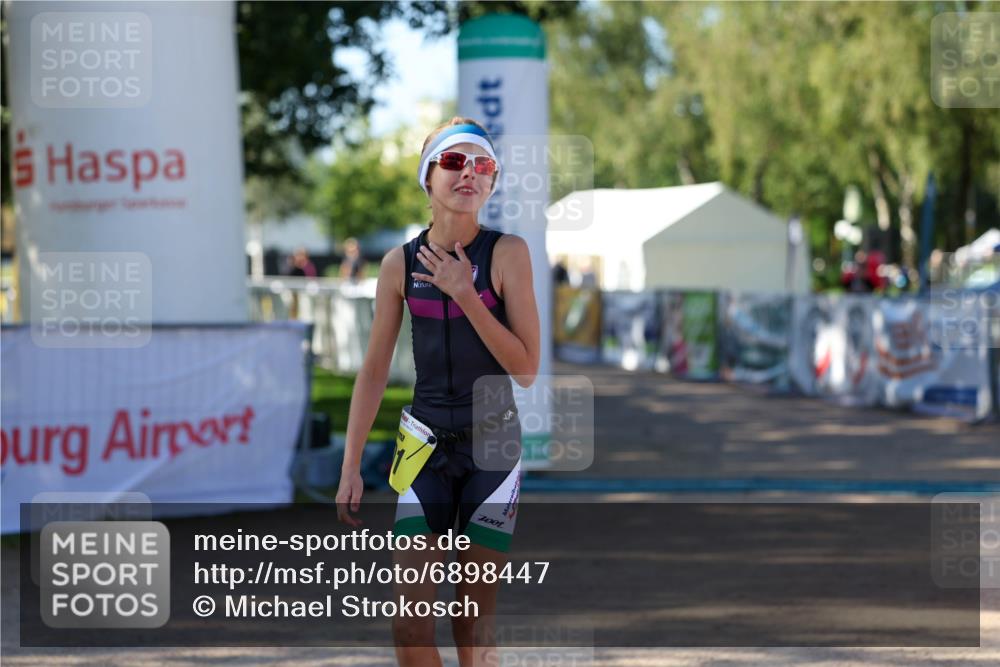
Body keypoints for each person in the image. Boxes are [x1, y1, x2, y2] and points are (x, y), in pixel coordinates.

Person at [336, 117, 540, 667]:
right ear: (428, 178)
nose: (468, 174)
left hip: (492, 451)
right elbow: (374, 369)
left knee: (471, 624)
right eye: (453, 162)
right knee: (409, 625)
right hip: (423, 448)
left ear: (493, 182)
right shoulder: (398, 264)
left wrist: (465, 293)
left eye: (483, 165)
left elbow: (526, 369)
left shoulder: (507, 254)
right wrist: (351, 463)